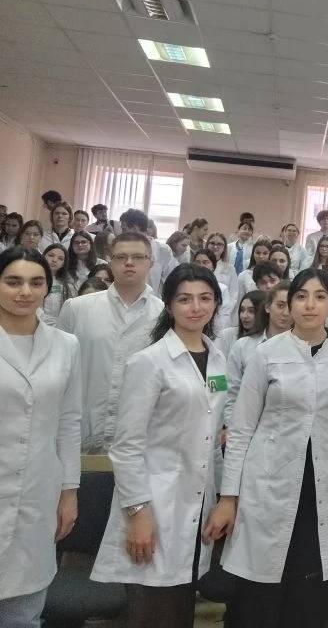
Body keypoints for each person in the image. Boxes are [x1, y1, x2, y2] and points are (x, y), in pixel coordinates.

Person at [206, 270, 328, 628]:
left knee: (310, 590)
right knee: (260, 595)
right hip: (268, 484)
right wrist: (229, 498)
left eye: (320, 296)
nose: (310, 305)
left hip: (324, 487)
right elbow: (242, 429)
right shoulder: (267, 353)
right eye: (301, 296)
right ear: (289, 304)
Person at [90, 264, 226, 627]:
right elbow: (127, 446)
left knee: (181, 611)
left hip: (196, 509)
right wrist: (139, 514)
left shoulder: (218, 360)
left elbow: (212, 439)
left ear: (216, 303)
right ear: (168, 305)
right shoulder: (149, 362)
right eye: (184, 299)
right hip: (154, 507)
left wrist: (221, 499)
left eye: (205, 298)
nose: (195, 307)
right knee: (153, 612)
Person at [0, 247, 81, 628]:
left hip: (38, 492)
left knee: (23, 613)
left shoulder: (66, 345)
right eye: (13, 281)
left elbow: (69, 421)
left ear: (48, 288)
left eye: (36, 283)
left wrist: (69, 492)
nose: (24, 292)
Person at [57, 232, 164, 452]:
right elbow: (58, 370)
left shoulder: (164, 314)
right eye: (121, 257)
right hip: (81, 434)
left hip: (140, 439)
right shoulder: (77, 308)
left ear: (151, 263)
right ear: (110, 261)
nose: (129, 263)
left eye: (138, 257)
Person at [224, 282, 292, 430]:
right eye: (280, 305)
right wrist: (231, 427)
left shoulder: (303, 349)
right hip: (246, 428)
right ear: (267, 307)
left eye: (291, 307)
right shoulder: (243, 346)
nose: (286, 312)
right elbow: (231, 393)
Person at [119, 210, 176, 294]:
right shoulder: (121, 248)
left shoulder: (162, 250)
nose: (122, 233)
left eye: (124, 229)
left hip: (152, 299)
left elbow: (170, 281)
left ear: (135, 228)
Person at [205, 232, 240, 315]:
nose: (215, 247)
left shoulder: (230, 269)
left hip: (222, 311)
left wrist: (225, 312)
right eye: (212, 243)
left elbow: (233, 294)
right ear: (207, 245)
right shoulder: (199, 265)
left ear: (224, 248)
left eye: (219, 244)